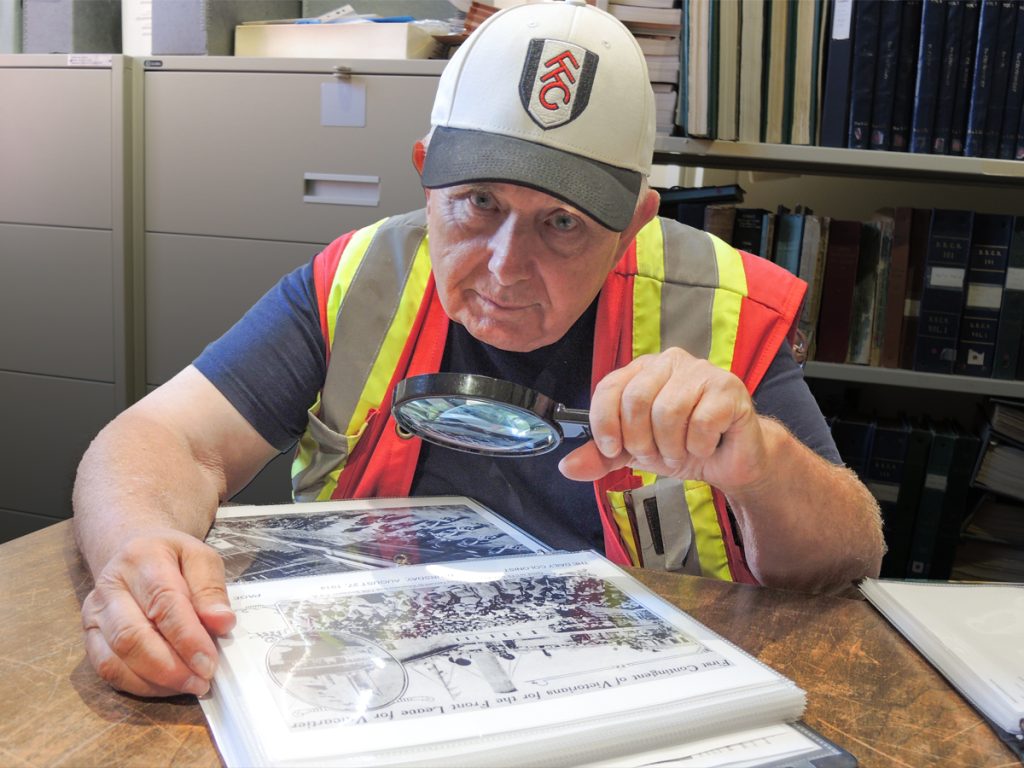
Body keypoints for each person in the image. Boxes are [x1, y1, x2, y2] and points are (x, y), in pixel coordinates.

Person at [72, 0, 884, 699]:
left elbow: (852, 553)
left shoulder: (723, 311)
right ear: (428, 177)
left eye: (562, 222)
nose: (503, 267)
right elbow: (158, 441)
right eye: (477, 202)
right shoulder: (359, 279)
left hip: (628, 694)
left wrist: (762, 469)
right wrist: (141, 552)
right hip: (367, 680)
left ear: (634, 221)